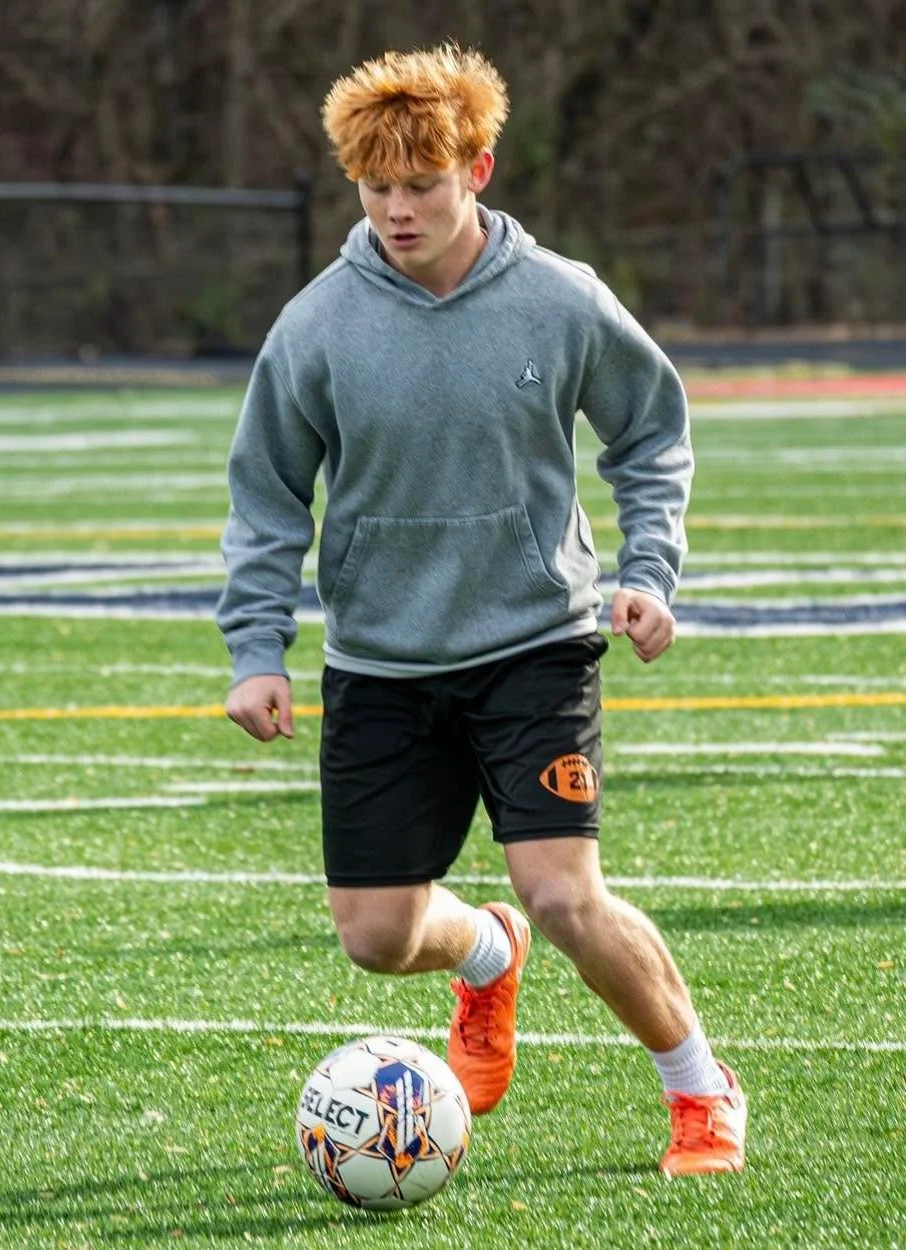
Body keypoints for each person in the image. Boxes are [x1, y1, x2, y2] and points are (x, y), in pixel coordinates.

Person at [217, 43, 746, 1175]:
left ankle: (699, 1087)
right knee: (375, 937)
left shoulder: (560, 301)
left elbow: (651, 432)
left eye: (423, 183)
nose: (398, 209)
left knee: (562, 890)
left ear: (480, 171)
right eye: (377, 187)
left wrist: (648, 573)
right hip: (379, 661)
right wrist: (257, 649)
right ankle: (483, 951)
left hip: (534, 646)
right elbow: (265, 493)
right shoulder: (314, 326)